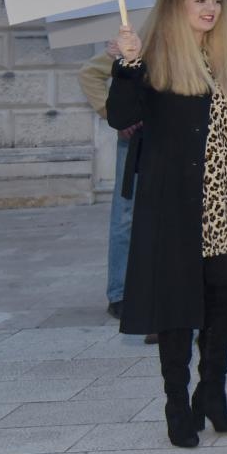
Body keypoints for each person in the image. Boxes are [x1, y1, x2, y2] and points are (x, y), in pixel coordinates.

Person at [107, 0, 227, 448]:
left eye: (214, 1)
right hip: (174, 206)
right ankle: (176, 406)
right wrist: (126, 64)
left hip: (223, 204)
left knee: (223, 305)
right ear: (176, 5)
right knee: (177, 309)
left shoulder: (225, 58)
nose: (209, 9)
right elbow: (120, 115)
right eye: (199, 1)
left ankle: (212, 397)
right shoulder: (154, 59)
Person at [79, 43, 134, 322]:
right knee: (126, 214)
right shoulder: (141, 38)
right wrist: (112, 115)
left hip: (173, 138)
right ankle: (120, 292)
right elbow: (90, 73)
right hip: (135, 139)